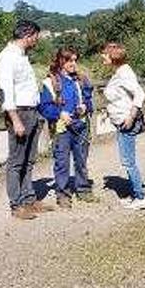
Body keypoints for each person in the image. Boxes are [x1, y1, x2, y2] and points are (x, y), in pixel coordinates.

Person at [0, 20, 54, 220]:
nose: (37, 40)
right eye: (36, 36)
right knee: (16, 161)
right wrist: (15, 119)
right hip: (19, 113)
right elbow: (6, 91)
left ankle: (29, 199)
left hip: (31, 111)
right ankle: (16, 204)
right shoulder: (7, 57)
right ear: (27, 35)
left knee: (29, 160)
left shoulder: (22, 56)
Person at [38, 47, 97, 209]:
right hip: (61, 128)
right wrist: (59, 114)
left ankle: (83, 189)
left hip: (81, 125)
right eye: (70, 60)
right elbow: (44, 107)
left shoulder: (81, 80)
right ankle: (63, 194)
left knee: (81, 159)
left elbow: (89, 100)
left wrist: (86, 106)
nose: (74, 64)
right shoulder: (50, 82)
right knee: (62, 161)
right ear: (61, 61)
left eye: (75, 60)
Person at [102, 42, 145, 210]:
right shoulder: (120, 72)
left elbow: (140, 93)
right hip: (121, 121)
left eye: (105, 54)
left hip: (126, 123)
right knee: (128, 159)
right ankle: (134, 193)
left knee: (128, 161)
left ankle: (140, 197)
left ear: (113, 57)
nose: (103, 57)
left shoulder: (124, 73)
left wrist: (131, 115)